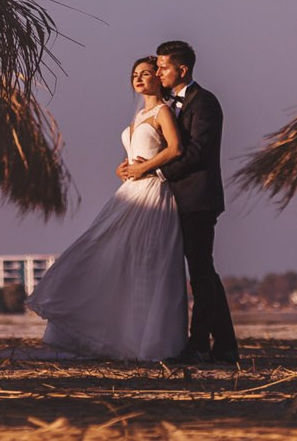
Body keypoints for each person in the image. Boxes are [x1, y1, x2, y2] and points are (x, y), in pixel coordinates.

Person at [23, 59, 188, 360]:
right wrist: (123, 169)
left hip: (153, 191)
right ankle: (115, 332)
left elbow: (175, 148)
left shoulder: (162, 111)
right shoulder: (139, 116)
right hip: (131, 190)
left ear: (158, 79)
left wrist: (145, 168)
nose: (138, 79)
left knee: (147, 262)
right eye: (135, 75)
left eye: (146, 74)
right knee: (105, 250)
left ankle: (150, 342)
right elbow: (138, 153)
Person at [150, 39, 238, 367]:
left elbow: (199, 152)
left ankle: (199, 345)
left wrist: (156, 171)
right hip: (176, 200)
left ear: (182, 69)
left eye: (163, 67)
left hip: (198, 199)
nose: (158, 73)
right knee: (206, 274)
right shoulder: (166, 104)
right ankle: (226, 346)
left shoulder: (205, 103)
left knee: (200, 274)